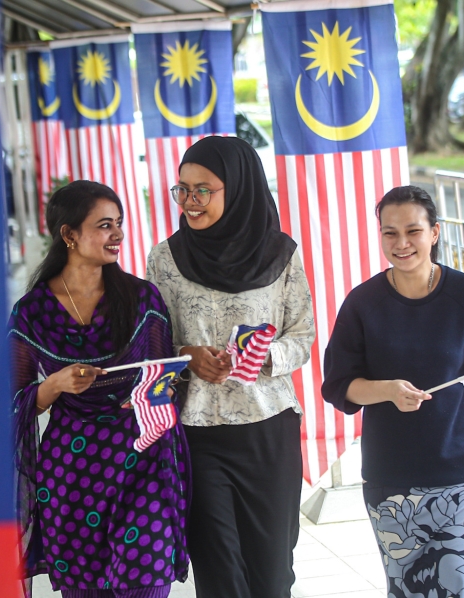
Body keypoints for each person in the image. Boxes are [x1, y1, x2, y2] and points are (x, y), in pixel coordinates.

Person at [321, 185, 464, 598]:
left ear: (434, 232)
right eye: (389, 233)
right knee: (409, 590)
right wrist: (387, 390)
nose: (401, 243)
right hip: (392, 477)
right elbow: (339, 385)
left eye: (413, 231)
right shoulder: (362, 303)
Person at [145, 136, 316, 598]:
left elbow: (302, 337)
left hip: (268, 430)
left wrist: (266, 357)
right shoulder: (164, 259)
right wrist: (187, 356)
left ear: (238, 188)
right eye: (182, 189)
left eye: (204, 189)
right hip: (198, 433)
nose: (190, 201)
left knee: (273, 573)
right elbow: (150, 346)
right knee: (220, 576)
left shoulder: (282, 254)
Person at [10, 180, 189, 597]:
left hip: (141, 459)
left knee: (147, 579)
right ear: (69, 235)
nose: (118, 235)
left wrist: (151, 391)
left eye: (120, 224)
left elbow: (167, 377)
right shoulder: (33, 311)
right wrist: (55, 384)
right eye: (105, 225)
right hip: (72, 474)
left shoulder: (141, 297)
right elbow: (13, 401)